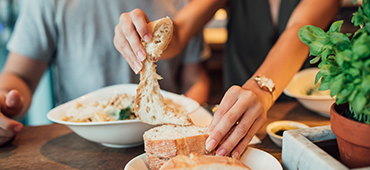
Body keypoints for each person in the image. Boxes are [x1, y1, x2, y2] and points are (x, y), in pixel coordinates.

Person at [114, 0, 341, 159]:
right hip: (230, 122)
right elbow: (180, 32)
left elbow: (299, 32)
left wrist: (260, 90)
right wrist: (144, 31)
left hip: (301, 123)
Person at [0, 0, 210, 146]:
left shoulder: (185, 5)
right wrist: (6, 100)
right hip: (80, 143)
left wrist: (186, 127)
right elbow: (20, 76)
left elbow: (194, 79)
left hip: (162, 137)